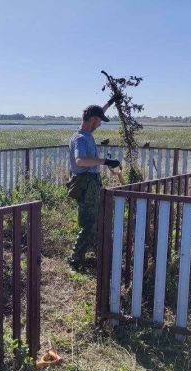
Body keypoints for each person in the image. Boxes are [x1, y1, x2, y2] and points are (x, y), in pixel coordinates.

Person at [67, 102, 120, 272]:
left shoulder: (87, 132)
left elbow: (98, 112)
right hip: (86, 183)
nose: (100, 124)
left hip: (92, 181)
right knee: (89, 223)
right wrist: (104, 161)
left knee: (97, 219)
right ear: (92, 120)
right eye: (99, 121)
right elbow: (80, 160)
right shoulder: (81, 138)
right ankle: (75, 260)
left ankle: (97, 252)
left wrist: (110, 102)